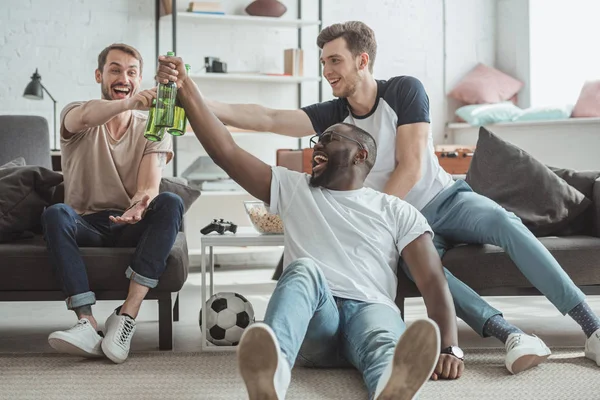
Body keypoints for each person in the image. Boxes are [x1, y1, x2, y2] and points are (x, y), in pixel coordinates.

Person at [198, 20, 600, 374]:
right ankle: (508, 333)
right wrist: (195, 100)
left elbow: (409, 166)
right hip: (404, 220)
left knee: (503, 222)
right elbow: (266, 118)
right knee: (417, 270)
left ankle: (591, 326)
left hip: (445, 199)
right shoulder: (333, 115)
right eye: (323, 63)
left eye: (334, 61)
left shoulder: (404, 91)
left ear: (362, 60)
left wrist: (377, 221)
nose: (327, 71)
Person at [157, 54, 464, 400]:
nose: (316, 145)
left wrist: (450, 347)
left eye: (328, 140)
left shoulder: (395, 209)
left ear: (360, 155)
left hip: (371, 309)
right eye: (315, 141)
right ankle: (272, 376)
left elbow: (433, 281)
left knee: (383, 340)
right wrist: (185, 89)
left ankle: (390, 386)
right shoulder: (293, 187)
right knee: (303, 269)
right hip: (317, 319)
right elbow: (224, 149)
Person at [42, 43, 184, 364]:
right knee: (55, 214)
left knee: (171, 202)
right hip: (85, 224)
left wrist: (140, 202)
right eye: (115, 69)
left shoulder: (154, 127)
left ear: (140, 77)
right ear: (99, 75)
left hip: (129, 223)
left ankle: (126, 317)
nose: (124, 77)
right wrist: (132, 103)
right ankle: (86, 324)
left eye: (132, 72)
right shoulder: (76, 114)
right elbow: (88, 115)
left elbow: (149, 183)